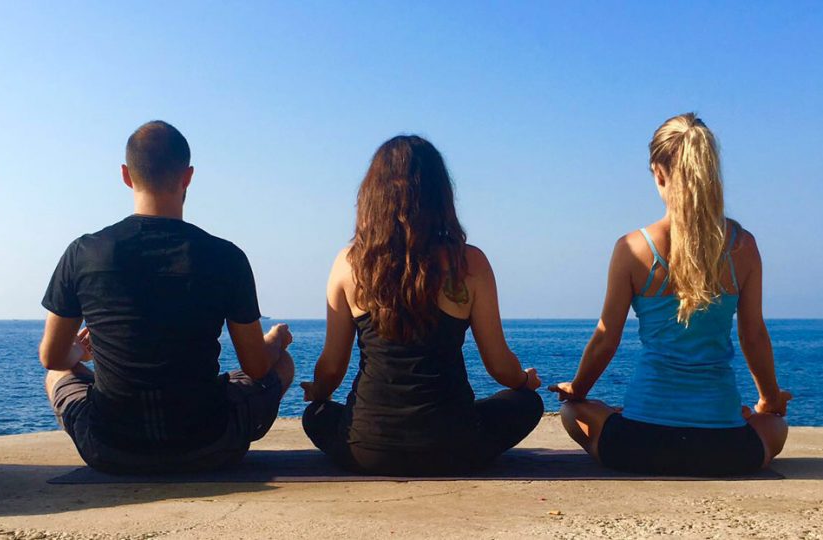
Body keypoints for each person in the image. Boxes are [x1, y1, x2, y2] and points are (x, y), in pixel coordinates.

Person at [39, 120, 294, 474]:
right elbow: (256, 367)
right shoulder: (226, 257)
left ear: (126, 175)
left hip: (109, 449)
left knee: (57, 374)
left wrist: (78, 353)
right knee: (283, 364)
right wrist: (275, 340)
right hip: (210, 445)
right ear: (187, 176)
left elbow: (51, 356)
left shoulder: (84, 252)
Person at [548, 113, 791, 476]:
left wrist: (577, 389)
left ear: (657, 172)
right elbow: (753, 335)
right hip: (725, 450)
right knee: (775, 426)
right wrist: (769, 401)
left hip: (637, 445)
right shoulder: (744, 246)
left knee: (572, 413)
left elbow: (605, 339)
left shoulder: (632, 248)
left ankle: (622, 411)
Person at [301, 135, 544, 476]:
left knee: (316, 416)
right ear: (440, 196)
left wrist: (319, 392)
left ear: (372, 196)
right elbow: (499, 366)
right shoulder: (469, 263)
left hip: (367, 449)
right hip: (456, 449)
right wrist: (523, 380)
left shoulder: (349, 263)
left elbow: (330, 368)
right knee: (528, 404)